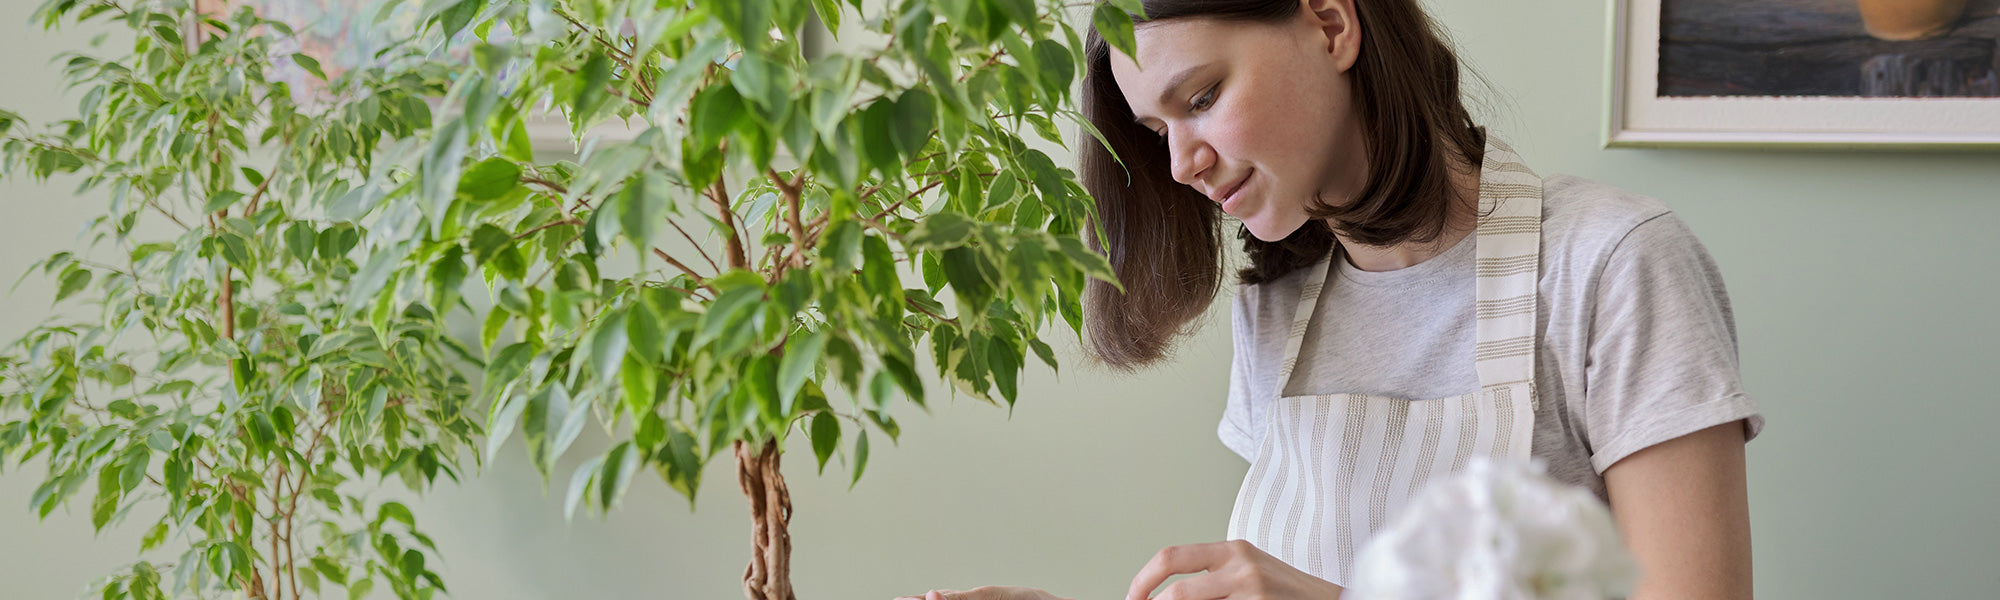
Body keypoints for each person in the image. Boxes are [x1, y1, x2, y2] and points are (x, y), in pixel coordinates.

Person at [897, 0, 1765, 598]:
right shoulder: (1276, 310)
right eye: (1158, 132)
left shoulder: (1611, 265)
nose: (1180, 164)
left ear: (1330, 21)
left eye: (1202, 98)